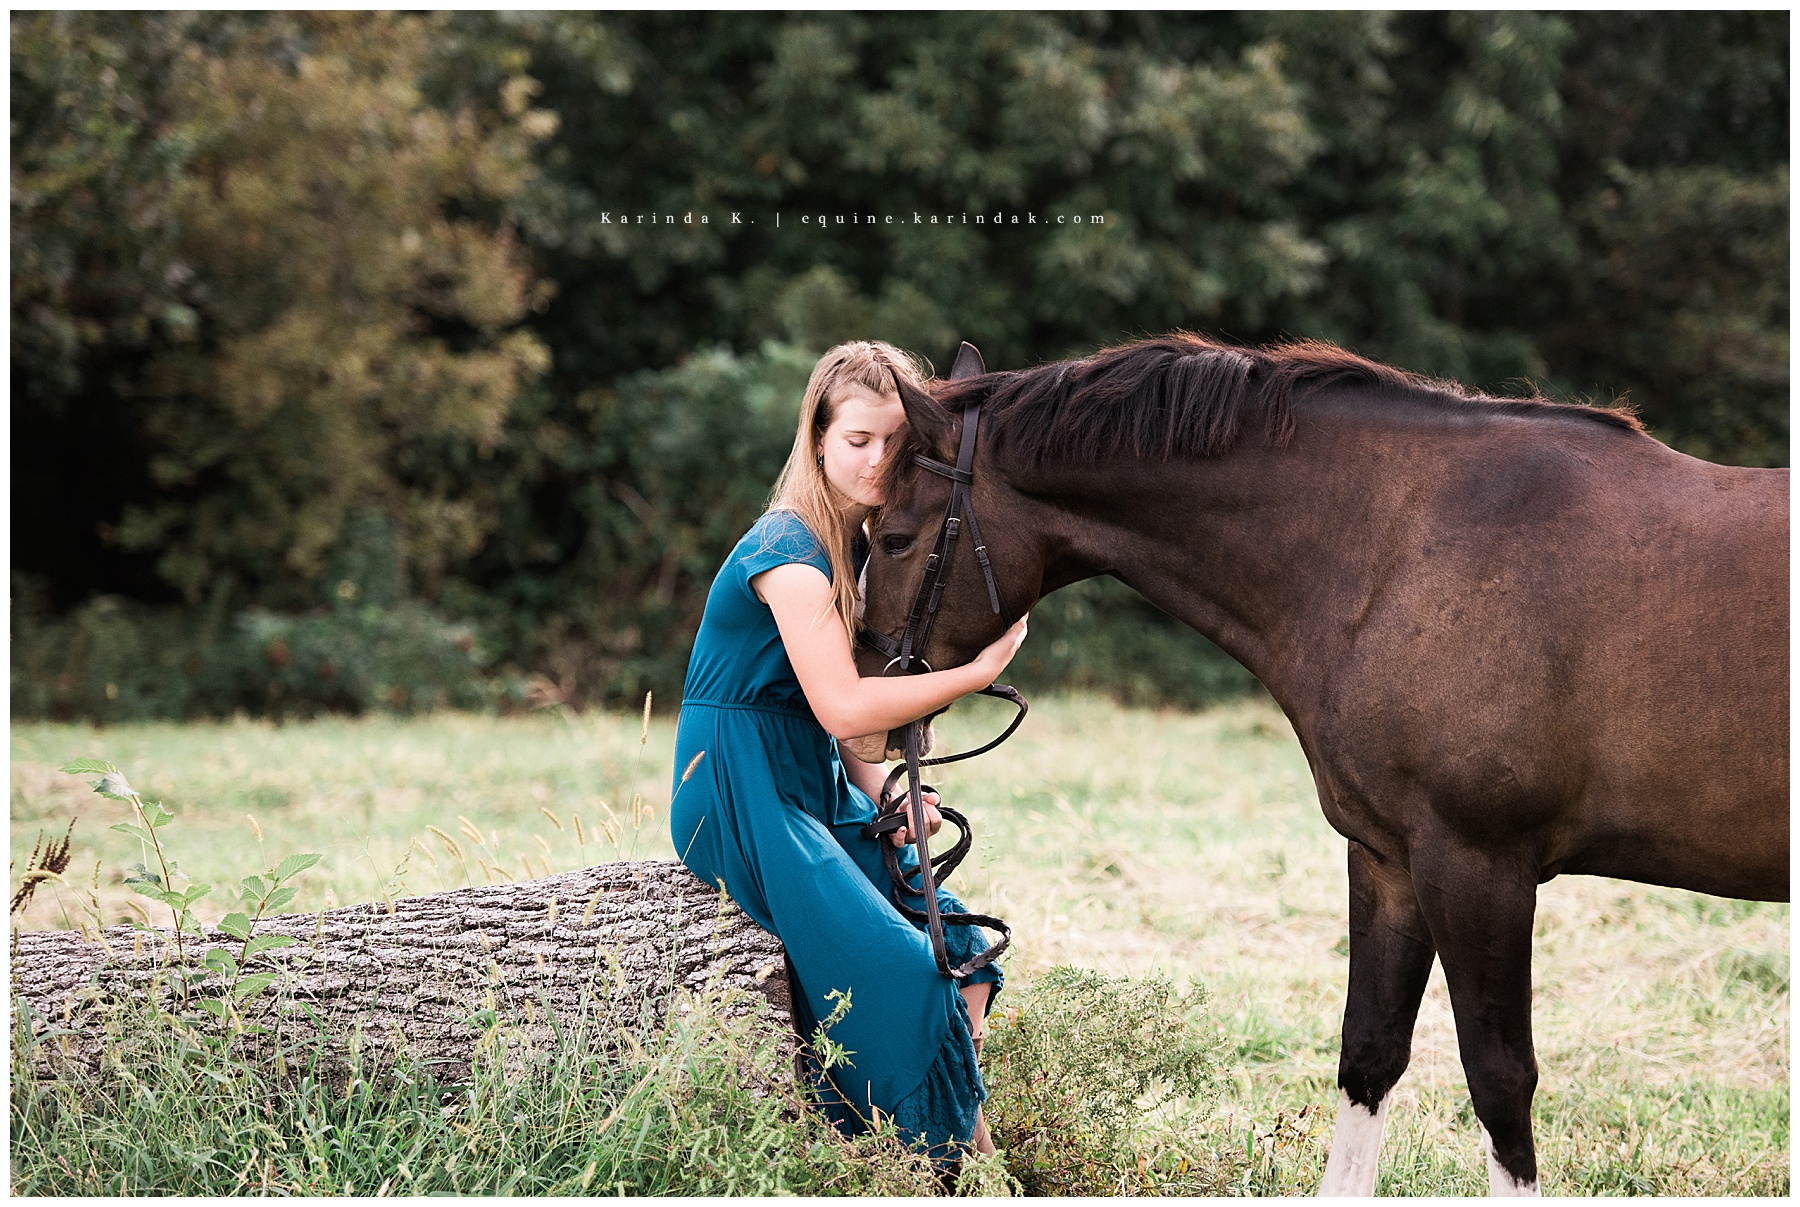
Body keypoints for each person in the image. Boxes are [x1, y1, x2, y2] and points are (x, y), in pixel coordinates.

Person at [669, 340, 1029, 1163]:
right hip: (740, 785)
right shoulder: (788, 551)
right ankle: (935, 1155)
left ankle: (943, 1142)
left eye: (897, 443)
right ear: (819, 439)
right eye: (858, 440)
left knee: (964, 951)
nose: (878, 461)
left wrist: (889, 799)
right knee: (902, 970)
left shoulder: (864, 543)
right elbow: (841, 702)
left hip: (813, 778)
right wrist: (973, 673)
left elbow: (842, 728)